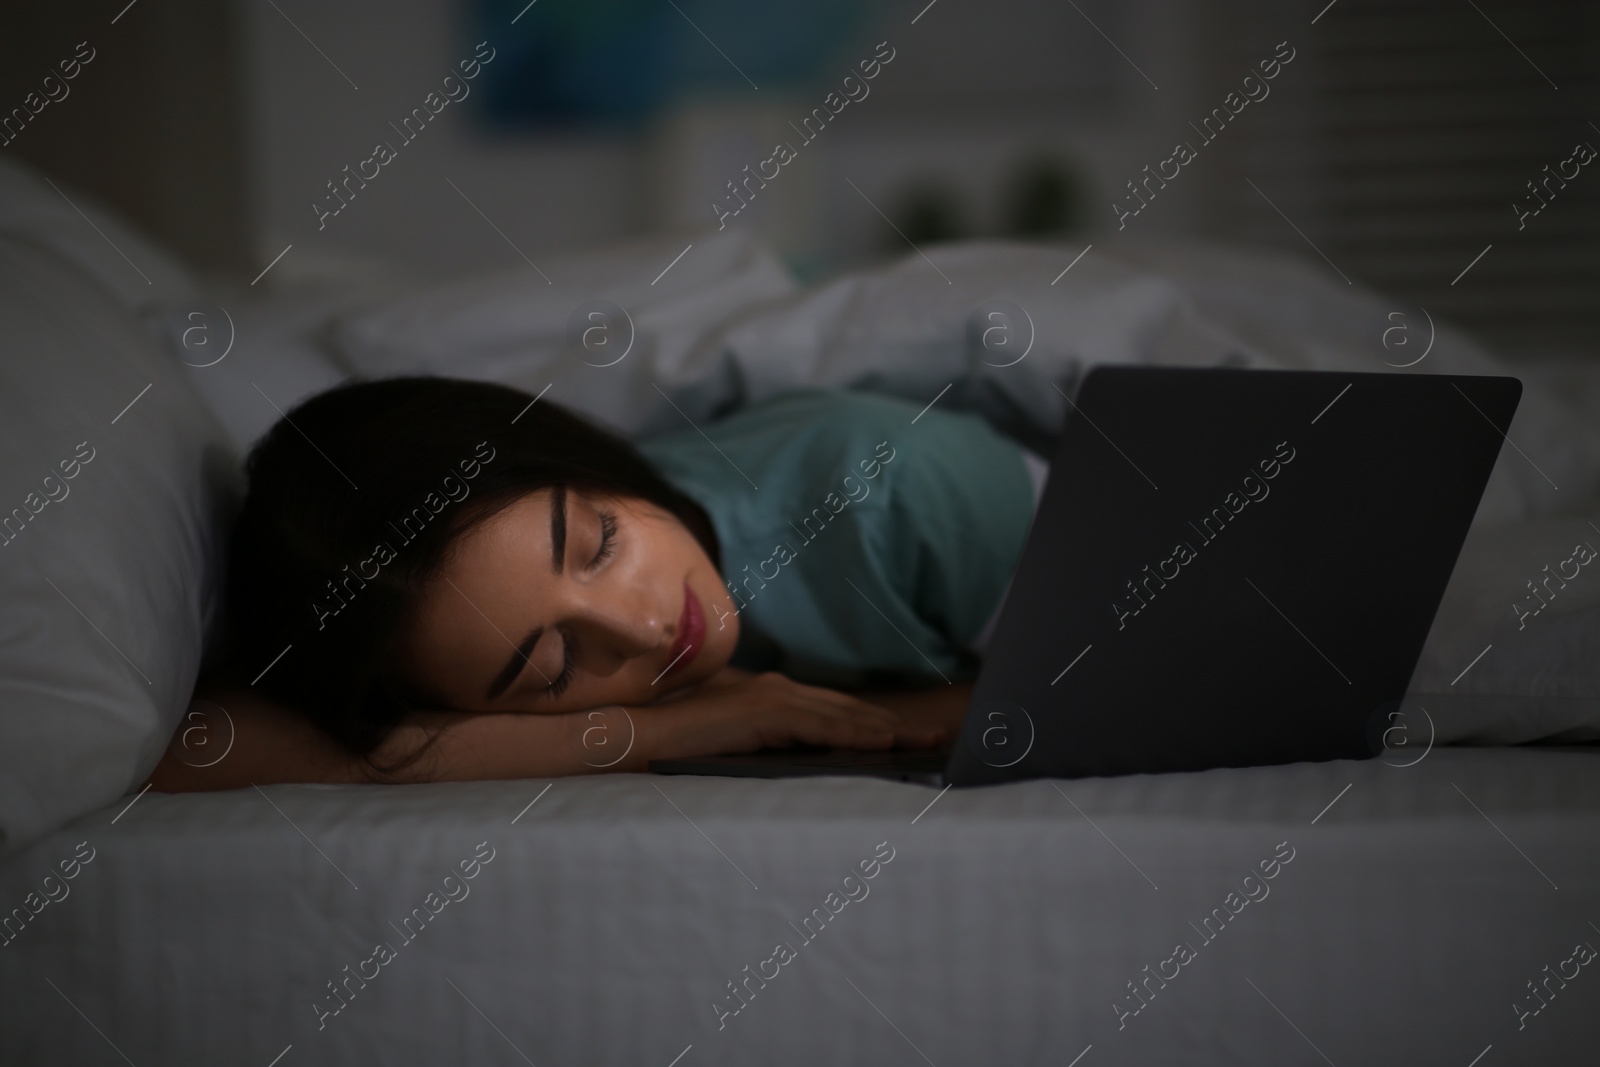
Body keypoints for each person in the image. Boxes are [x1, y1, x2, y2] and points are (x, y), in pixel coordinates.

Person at [146, 377, 1047, 790]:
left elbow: (1101, 674)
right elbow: (186, 744)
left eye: (600, 543)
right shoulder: (443, 635)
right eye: (556, 667)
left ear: (579, 457)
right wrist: (655, 728)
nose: (646, 628)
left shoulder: (899, 493)